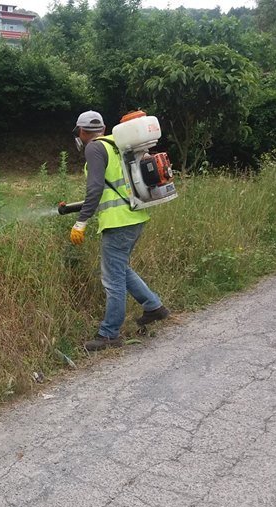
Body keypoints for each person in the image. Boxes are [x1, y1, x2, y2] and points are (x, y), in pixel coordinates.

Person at [69, 110, 169, 352]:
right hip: (135, 216)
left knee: (112, 278)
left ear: (82, 132)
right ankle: (153, 306)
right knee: (121, 268)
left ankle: (109, 334)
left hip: (117, 223)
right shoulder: (118, 144)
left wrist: (81, 222)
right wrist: (78, 208)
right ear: (102, 128)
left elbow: (94, 189)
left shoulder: (93, 148)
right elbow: (110, 189)